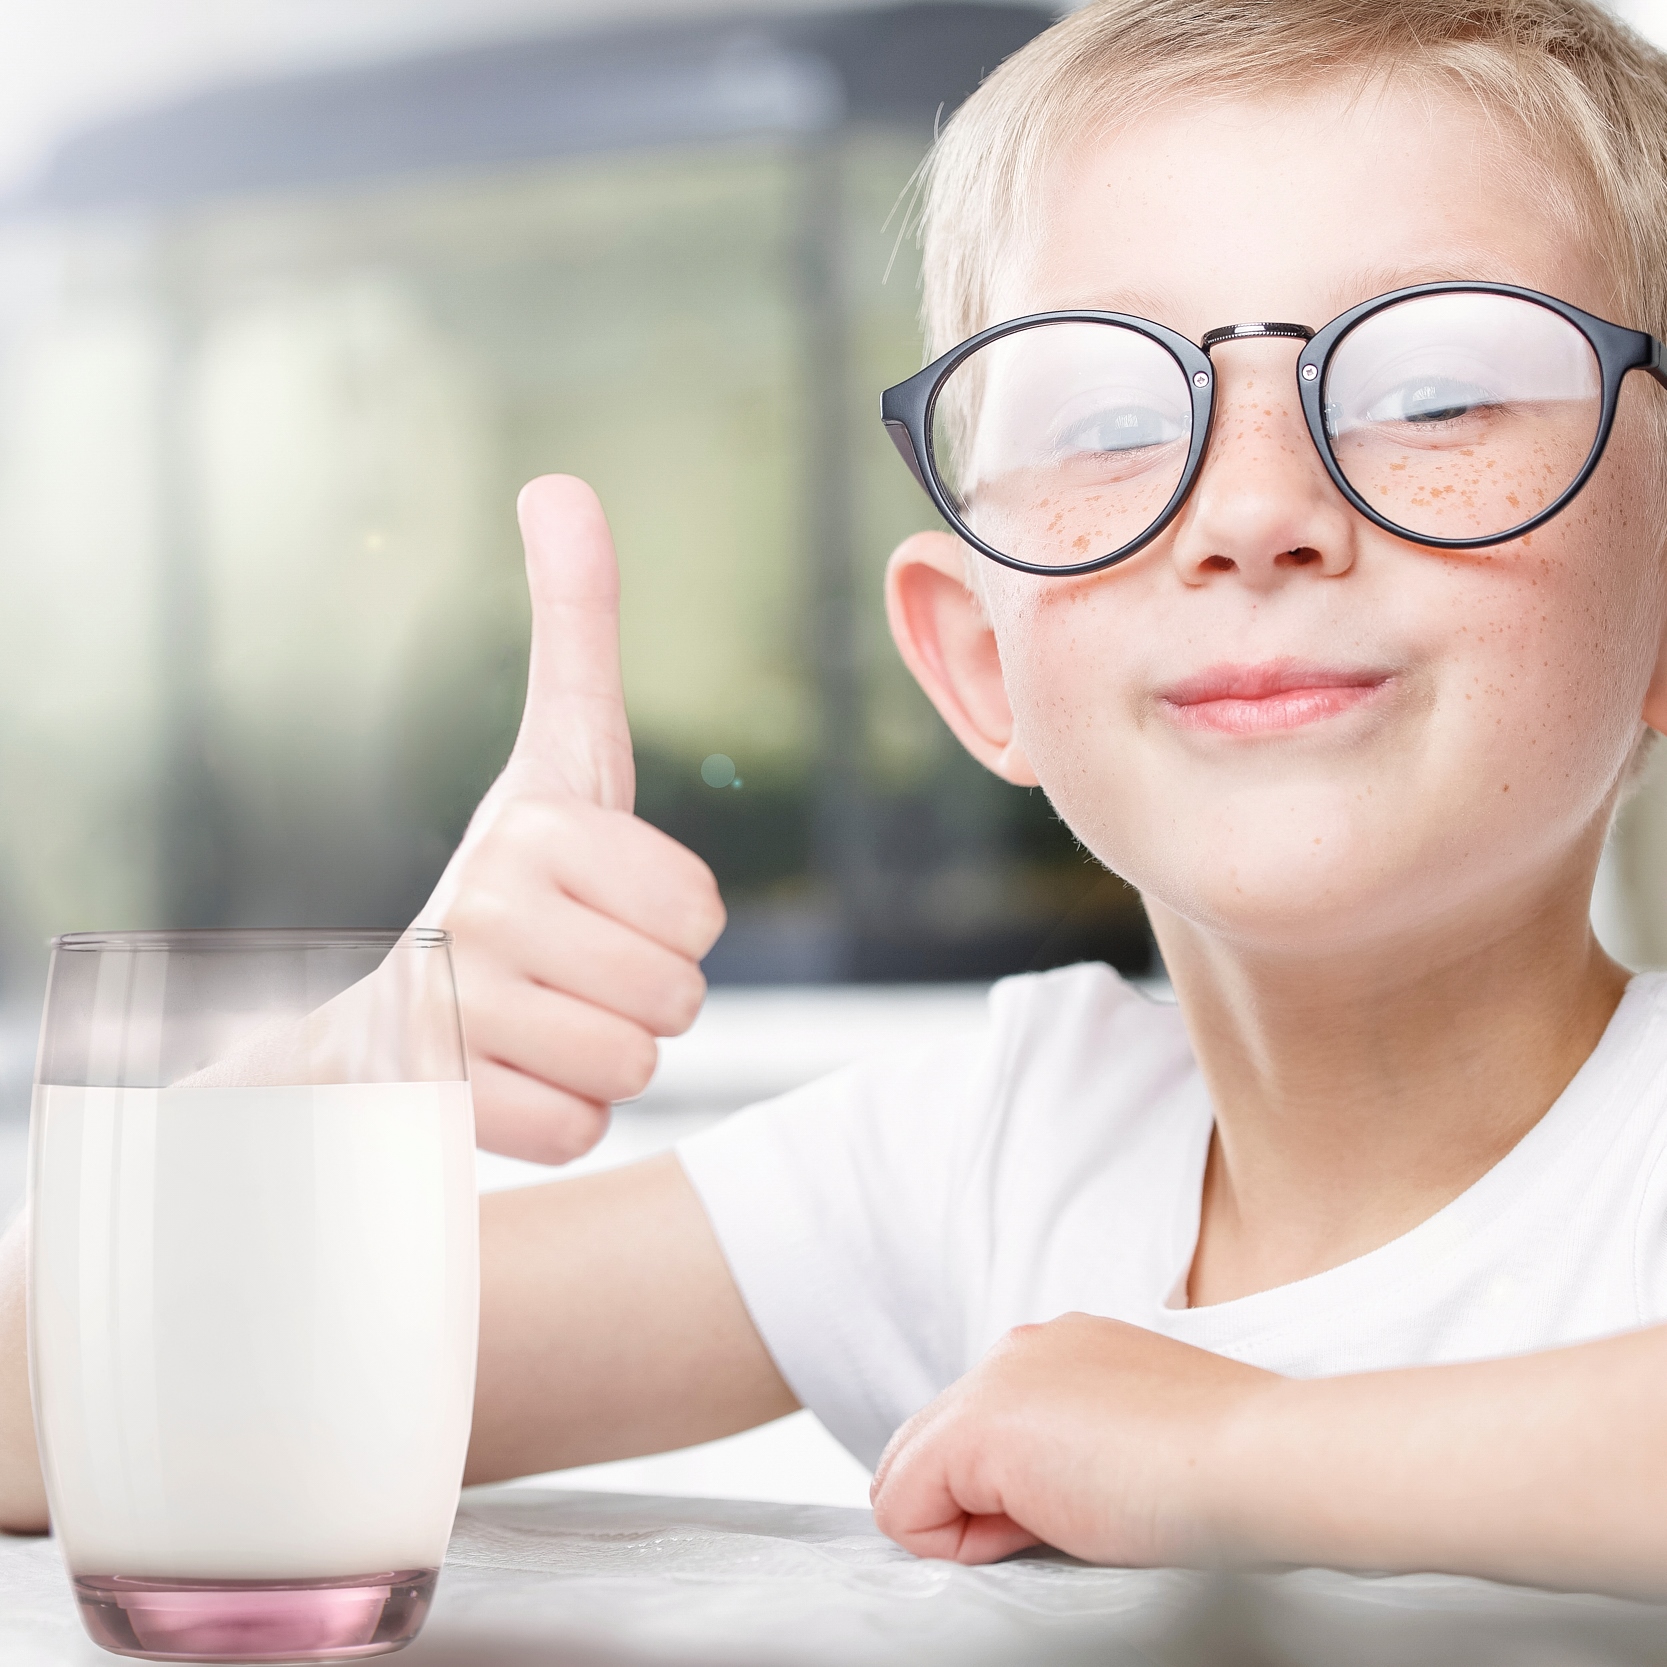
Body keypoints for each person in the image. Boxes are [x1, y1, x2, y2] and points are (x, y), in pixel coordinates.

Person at [8, 0, 1667, 1593]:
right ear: (979, 666)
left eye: (1435, 394)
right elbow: (49, 1408)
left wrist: (1240, 1457)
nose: (1251, 507)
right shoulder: (987, 1156)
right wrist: (340, 1090)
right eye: (1106, 418)